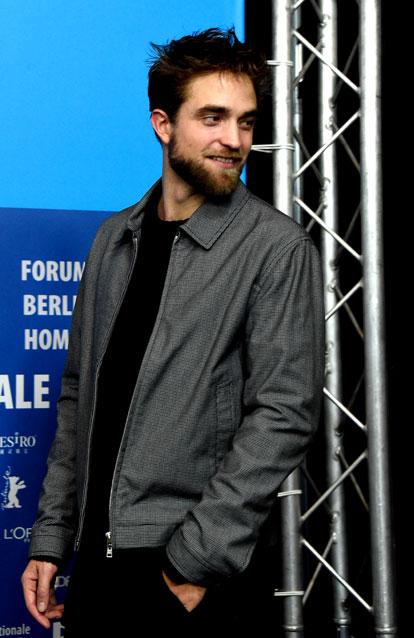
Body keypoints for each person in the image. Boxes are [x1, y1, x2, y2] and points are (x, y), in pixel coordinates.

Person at [21, 27, 324, 637]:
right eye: (213, 118)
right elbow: (79, 397)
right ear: (163, 125)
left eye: (245, 121)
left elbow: (284, 413)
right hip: (97, 564)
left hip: (187, 574)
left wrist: (192, 564)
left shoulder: (276, 248)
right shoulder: (113, 239)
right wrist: (52, 539)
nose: (234, 139)